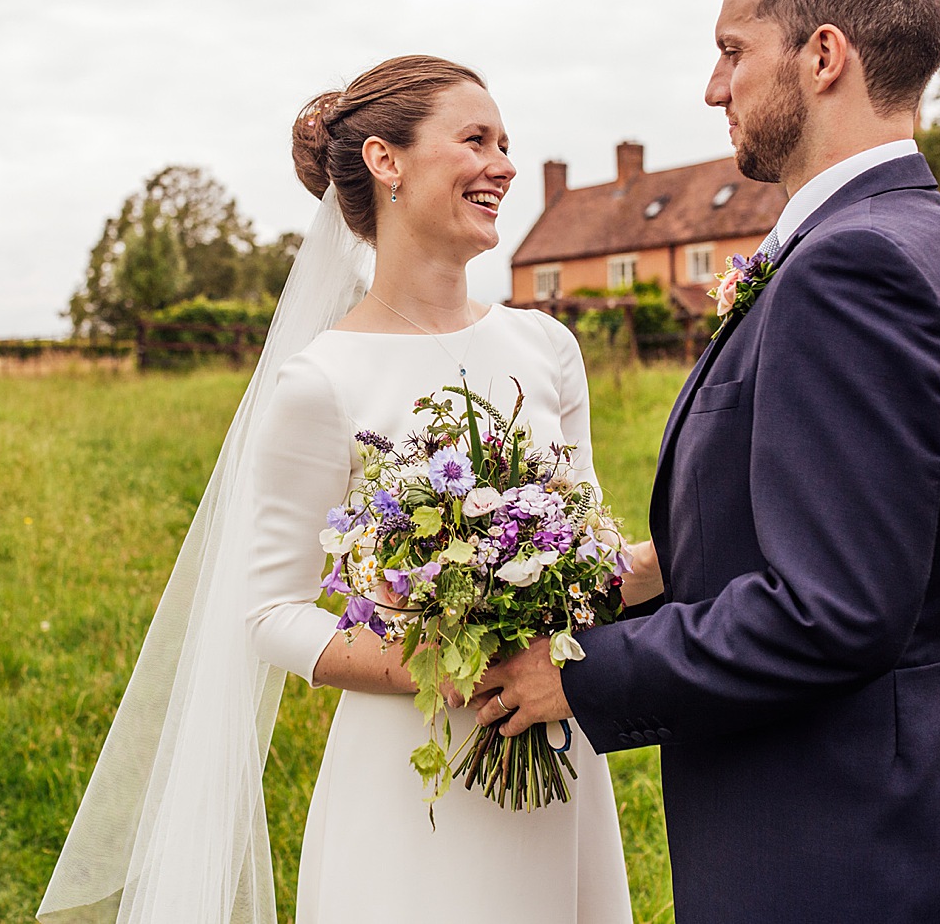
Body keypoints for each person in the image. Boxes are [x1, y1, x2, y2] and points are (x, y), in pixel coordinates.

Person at [472, 0, 940, 923]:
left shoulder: (851, 269)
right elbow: (855, 526)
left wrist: (576, 675)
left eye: (731, 50)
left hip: (835, 840)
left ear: (821, 56)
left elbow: (832, 609)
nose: (711, 87)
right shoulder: (918, 235)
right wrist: (642, 569)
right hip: (897, 804)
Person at [38, 55, 633, 924]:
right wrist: (448, 664)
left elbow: (594, 553)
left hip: (555, 748)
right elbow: (267, 610)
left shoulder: (548, 349)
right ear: (387, 162)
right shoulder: (322, 379)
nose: (504, 164)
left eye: (507, 143)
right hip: (410, 773)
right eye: (475, 140)